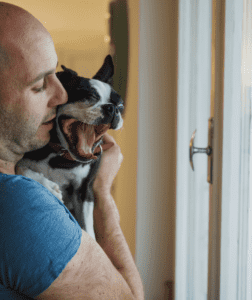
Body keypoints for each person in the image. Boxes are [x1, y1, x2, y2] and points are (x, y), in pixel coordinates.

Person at [0, 2, 144, 299]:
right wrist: (101, 189)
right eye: (40, 85)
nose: (62, 94)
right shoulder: (17, 207)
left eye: (55, 74)